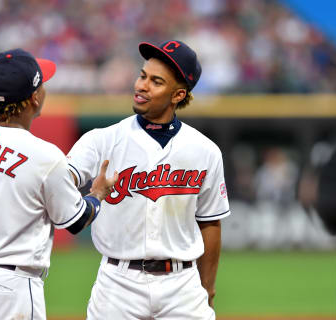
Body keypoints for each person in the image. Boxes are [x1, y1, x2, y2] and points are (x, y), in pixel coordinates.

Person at [0, 48, 117, 320]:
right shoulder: (45, 156)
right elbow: (76, 221)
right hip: (9, 288)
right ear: (35, 99)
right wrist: (97, 195)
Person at [67, 40, 230, 319]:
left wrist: (208, 288)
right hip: (117, 283)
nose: (141, 86)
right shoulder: (102, 140)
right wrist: (91, 198)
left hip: (182, 284)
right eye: (142, 75)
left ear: (178, 95)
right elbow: (60, 180)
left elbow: (210, 221)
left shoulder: (205, 151)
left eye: (156, 81)